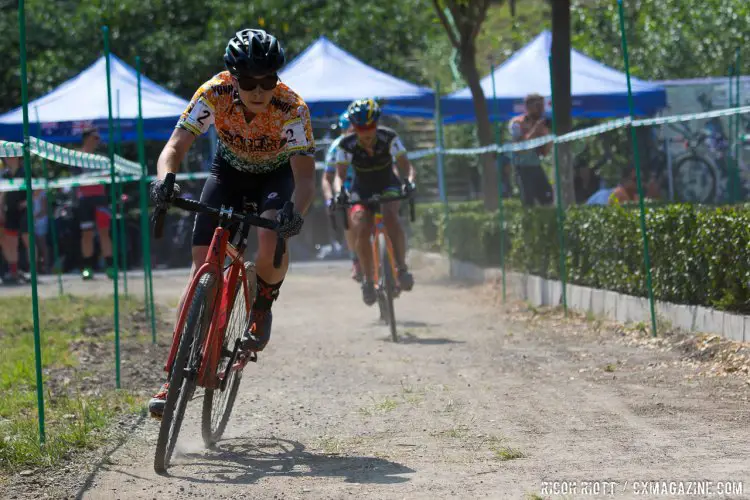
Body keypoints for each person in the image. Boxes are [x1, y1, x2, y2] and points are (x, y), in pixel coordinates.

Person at [148, 29, 315, 417]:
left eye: (267, 81)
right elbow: (174, 147)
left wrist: (295, 212)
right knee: (200, 265)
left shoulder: (292, 108)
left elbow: (305, 179)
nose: (258, 90)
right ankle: (174, 376)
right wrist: (164, 182)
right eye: (248, 82)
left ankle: (263, 303)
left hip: (277, 177)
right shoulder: (214, 93)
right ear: (232, 78)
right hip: (229, 173)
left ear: (278, 79)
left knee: (270, 234)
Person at [333, 98, 416, 306]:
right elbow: (339, 176)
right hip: (362, 189)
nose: (366, 132)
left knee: (390, 217)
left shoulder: (390, 137)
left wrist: (409, 182)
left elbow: (407, 166)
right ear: (354, 126)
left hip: (388, 184)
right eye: (361, 127)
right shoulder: (346, 144)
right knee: (360, 223)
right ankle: (368, 281)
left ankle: (402, 268)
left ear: (377, 124)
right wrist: (339, 191)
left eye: (370, 126)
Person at [321, 111, 362, 281]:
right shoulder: (337, 146)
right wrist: (330, 198)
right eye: (351, 130)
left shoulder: (367, 141)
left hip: (368, 182)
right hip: (347, 186)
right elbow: (327, 178)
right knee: (350, 220)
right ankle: (356, 260)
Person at [75, 127, 114, 280]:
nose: (97, 141)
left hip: (100, 199)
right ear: (86, 139)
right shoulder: (76, 157)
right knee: (87, 234)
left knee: (104, 232)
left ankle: (110, 267)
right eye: (94, 138)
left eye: (98, 138)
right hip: (84, 199)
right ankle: (87, 268)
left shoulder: (101, 158)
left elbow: (108, 175)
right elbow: (74, 178)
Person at [509, 93, 553, 206]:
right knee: (528, 203)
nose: (541, 109)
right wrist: (535, 131)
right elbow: (519, 148)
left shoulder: (543, 124)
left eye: (542, 106)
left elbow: (544, 153)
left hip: (536, 166)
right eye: (538, 106)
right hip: (522, 169)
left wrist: (547, 139)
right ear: (528, 107)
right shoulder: (517, 123)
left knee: (548, 198)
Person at [0, 157, 32, 284]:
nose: (7, 159)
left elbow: (37, 189)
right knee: (10, 242)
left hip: (24, 212)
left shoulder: (26, 172)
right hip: (10, 212)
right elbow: (3, 194)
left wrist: (26, 202)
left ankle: (32, 271)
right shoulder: (5, 174)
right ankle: (14, 272)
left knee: (28, 240)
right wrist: (1, 209)